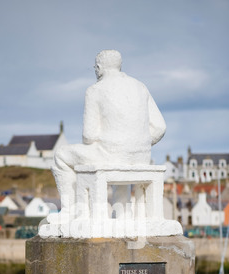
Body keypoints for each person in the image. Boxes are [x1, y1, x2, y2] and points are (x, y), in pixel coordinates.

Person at [48, 49, 166, 222]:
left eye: (95, 68)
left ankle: (71, 212)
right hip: (142, 155)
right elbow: (160, 127)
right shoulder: (140, 86)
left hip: (111, 153)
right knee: (118, 159)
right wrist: (139, 143)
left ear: (99, 67)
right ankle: (122, 215)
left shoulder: (95, 90)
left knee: (61, 156)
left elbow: (88, 136)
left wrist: (116, 143)